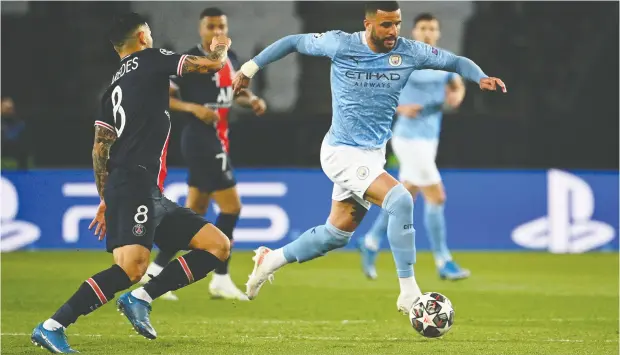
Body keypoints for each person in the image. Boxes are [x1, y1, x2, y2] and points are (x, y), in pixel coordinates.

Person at [232, 1, 506, 313]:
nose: (393, 32)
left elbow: (455, 62)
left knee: (335, 235)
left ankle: (272, 259)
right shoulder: (341, 43)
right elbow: (293, 42)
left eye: (397, 24)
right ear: (368, 24)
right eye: (386, 25)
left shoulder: (410, 51)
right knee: (401, 200)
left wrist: (480, 76)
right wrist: (248, 69)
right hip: (342, 151)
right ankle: (408, 291)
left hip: (372, 155)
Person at [31, 13, 233, 353]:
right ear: (142, 37)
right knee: (129, 268)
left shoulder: (112, 87)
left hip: (137, 186)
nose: (152, 38)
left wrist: (106, 196)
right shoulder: (150, 59)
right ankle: (52, 326)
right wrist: (221, 48)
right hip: (133, 182)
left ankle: (140, 298)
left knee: (217, 245)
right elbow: (210, 66)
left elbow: (100, 145)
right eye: (150, 33)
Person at [141, 7, 267, 302]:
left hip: (219, 140)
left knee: (194, 212)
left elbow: (235, 93)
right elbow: (165, 97)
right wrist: (194, 108)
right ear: (201, 30)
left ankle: (155, 271)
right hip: (199, 139)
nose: (216, 32)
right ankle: (220, 278)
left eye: (221, 26)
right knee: (232, 208)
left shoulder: (230, 59)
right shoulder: (191, 61)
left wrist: (253, 100)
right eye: (211, 26)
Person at [359, 13, 471, 281]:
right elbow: (374, 91)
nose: (428, 32)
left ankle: (371, 241)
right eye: (423, 28)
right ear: (414, 32)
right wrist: (399, 108)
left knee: (404, 198)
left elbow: (457, 85)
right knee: (437, 197)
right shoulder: (401, 59)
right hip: (408, 139)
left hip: (430, 138)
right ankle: (444, 261)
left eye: (433, 28)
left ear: (438, 33)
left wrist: (457, 95)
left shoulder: (443, 61)